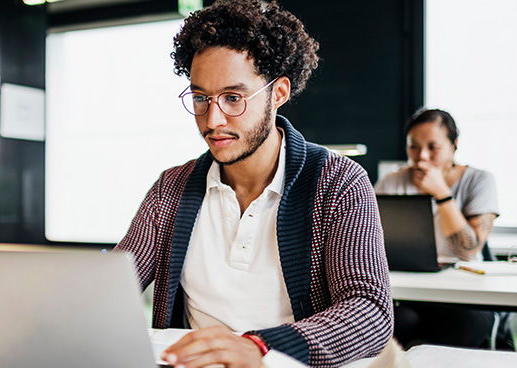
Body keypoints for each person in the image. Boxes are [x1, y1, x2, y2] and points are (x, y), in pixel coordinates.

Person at [115, 1, 393, 367]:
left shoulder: (338, 182)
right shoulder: (172, 188)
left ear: (278, 93)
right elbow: (113, 287)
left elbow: (370, 312)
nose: (213, 120)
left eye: (233, 98)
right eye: (201, 98)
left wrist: (259, 347)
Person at [374, 108, 503, 349]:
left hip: (465, 296)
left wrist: (442, 194)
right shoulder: (391, 182)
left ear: (453, 145)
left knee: (456, 330)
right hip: (411, 292)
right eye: (413, 146)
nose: (421, 156)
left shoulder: (479, 180)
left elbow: (467, 249)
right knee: (386, 329)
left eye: (433, 147)